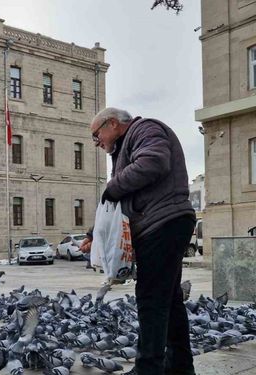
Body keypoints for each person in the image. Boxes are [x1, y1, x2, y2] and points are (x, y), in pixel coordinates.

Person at [91, 107, 196, 375]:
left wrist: (111, 188)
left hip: (163, 224)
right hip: (164, 223)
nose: (96, 141)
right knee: (169, 300)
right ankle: (180, 367)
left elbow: (153, 162)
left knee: (150, 299)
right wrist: (94, 235)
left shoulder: (145, 129)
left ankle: (148, 369)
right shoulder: (127, 145)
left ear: (112, 123)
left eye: (96, 134)